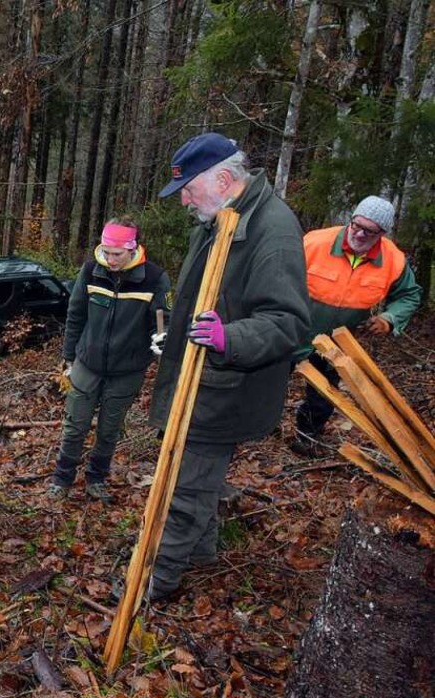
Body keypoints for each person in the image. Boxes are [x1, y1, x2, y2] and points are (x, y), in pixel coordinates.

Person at [148, 132, 310, 602]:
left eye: (188, 189)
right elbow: (205, 294)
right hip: (202, 376)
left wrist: (229, 337)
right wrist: (176, 337)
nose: (183, 200)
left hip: (226, 387)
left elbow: (287, 322)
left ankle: (160, 580)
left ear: (223, 178)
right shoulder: (218, 216)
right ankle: (201, 555)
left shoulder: (272, 230)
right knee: (197, 479)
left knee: (186, 487)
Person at [47, 218, 170, 504]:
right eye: (106, 252)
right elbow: (75, 314)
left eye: (117, 254)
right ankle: (62, 479)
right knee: (75, 424)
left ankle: (96, 479)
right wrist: (68, 357)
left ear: (133, 249)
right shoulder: (91, 271)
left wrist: (160, 338)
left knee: (109, 428)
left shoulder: (154, 278)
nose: (110, 260)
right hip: (86, 364)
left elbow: (162, 318)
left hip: (127, 370)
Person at [291, 195, 422, 455]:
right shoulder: (314, 242)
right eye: (356, 225)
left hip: (336, 343)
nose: (360, 234)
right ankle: (258, 426)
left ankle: (306, 436)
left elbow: (409, 295)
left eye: (369, 231)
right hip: (293, 329)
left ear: (382, 233)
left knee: (324, 396)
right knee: (265, 383)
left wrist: (389, 318)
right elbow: (279, 274)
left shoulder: (393, 260)